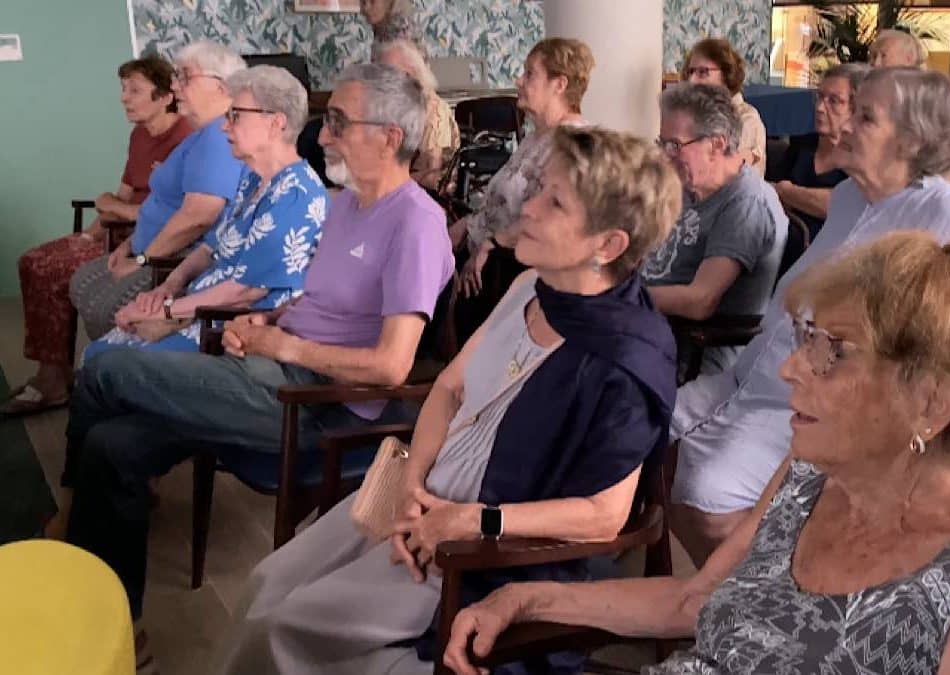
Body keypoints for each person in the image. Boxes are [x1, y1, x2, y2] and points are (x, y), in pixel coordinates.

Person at [445, 231, 950, 675]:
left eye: (830, 350)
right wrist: (526, 597)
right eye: (803, 339)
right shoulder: (809, 478)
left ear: (930, 400)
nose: (792, 368)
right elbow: (694, 599)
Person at [210, 126, 681, 674]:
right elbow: (448, 387)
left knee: (281, 627)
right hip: (418, 499)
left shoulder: (626, 358)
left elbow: (604, 518)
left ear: (608, 244)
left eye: (554, 202)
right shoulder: (531, 287)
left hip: (479, 551)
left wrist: (474, 522)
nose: (527, 207)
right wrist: (411, 488)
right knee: (267, 582)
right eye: (539, 190)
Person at [60, 64, 454, 667]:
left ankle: (69, 535)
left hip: (321, 409)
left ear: (390, 137)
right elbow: (313, 300)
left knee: (106, 370)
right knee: (113, 446)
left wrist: (283, 347)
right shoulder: (345, 205)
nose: (321, 136)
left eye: (339, 124)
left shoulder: (416, 224)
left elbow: (392, 367)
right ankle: (113, 620)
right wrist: (269, 323)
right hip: (271, 376)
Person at [667, 67, 950, 568]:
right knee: (652, 433)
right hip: (746, 378)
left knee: (705, 495)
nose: (845, 125)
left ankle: (751, 601)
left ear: (911, 139)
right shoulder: (851, 196)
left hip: (809, 408)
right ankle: (722, 600)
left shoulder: (943, 213)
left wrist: (908, 363)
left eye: (866, 117)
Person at [84, 66, 327, 360]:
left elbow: (245, 292)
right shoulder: (253, 179)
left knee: (105, 364)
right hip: (195, 306)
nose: (225, 126)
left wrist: (167, 311)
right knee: (98, 354)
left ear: (276, 123)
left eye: (235, 116)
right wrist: (168, 287)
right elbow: (210, 247)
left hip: (223, 328)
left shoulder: (295, 194)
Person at [2, 56, 191, 417]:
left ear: (165, 95)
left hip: (144, 241)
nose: (124, 97)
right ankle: (52, 372)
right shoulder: (139, 135)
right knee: (33, 261)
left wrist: (113, 208)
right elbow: (119, 197)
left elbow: (162, 215)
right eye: (123, 89)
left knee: (51, 271)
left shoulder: (184, 139)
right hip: (116, 231)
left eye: (134, 90)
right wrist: (89, 235)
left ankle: (55, 382)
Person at [68, 41, 247, 342]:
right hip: (149, 249)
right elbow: (159, 202)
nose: (175, 85)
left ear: (222, 86)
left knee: (105, 308)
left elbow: (198, 216)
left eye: (185, 77)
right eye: (176, 76)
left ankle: (115, 372)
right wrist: (129, 246)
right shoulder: (201, 135)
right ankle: (101, 371)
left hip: (174, 259)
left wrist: (142, 259)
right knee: (81, 281)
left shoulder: (218, 138)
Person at [448, 38, 594, 341]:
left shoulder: (574, 143)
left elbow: (551, 217)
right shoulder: (535, 137)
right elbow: (502, 203)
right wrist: (468, 224)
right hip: (491, 266)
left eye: (530, 74)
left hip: (517, 274)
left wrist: (493, 243)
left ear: (560, 84)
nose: (519, 80)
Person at [643, 83, 787, 374]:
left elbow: (700, 301)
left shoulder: (746, 203)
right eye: (662, 144)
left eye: (674, 145)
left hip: (692, 353)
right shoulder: (689, 187)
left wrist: (620, 296)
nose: (665, 156)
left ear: (716, 145)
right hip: (650, 331)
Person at [772, 63, 869, 238]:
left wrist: (788, 192)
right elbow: (773, 193)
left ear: (857, 108)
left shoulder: (862, 157)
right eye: (820, 97)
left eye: (834, 101)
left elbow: (841, 206)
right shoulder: (801, 144)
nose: (819, 108)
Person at [375, 39, 460, 190]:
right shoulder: (390, 107)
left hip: (419, 195)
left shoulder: (434, 113)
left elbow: (431, 177)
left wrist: (382, 184)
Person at [682, 38, 767, 176]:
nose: (692, 80)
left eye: (703, 72)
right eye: (690, 72)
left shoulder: (747, 119)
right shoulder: (694, 116)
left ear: (726, 74)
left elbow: (718, 177)